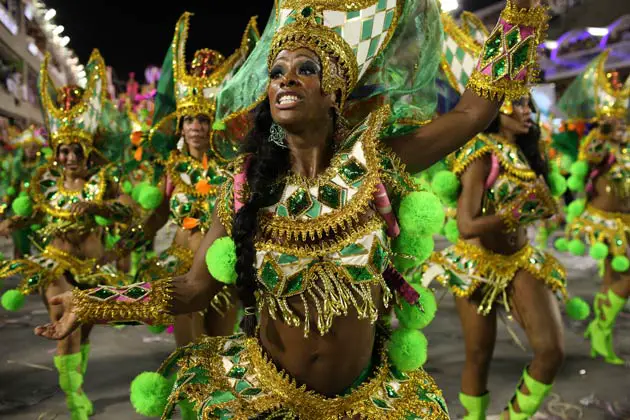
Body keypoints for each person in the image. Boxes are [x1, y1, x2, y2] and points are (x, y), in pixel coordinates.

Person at [35, 0, 547, 418]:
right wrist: (94, 302)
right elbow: (193, 289)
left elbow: (473, 109)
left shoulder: (376, 163)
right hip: (268, 398)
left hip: (367, 402)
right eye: (277, 71)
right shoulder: (245, 189)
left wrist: (520, 18)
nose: (286, 79)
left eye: (306, 69)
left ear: (334, 92)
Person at [422, 13, 574, 419]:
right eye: (517, 102)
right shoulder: (480, 154)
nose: (527, 111)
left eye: (527, 102)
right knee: (478, 355)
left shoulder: (528, 154)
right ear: (495, 107)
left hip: (521, 258)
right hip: (475, 264)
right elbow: (469, 224)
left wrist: (542, 209)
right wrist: (515, 212)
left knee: (551, 351)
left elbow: (535, 207)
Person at [104, 12, 260, 345]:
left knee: (220, 354)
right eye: (188, 119)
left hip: (220, 273)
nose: (195, 127)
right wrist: (123, 246)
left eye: (203, 119)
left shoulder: (232, 170)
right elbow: (158, 216)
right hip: (180, 267)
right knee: (190, 355)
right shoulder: (173, 168)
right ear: (180, 124)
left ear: (214, 124)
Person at [0, 50, 136, 420]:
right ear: (56, 152)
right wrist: (12, 223)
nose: (71, 157)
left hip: (94, 267)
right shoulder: (43, 181)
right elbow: (25, 213)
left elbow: (129, 211)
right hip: (54, 265)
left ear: (87, 151)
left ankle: (75, 382)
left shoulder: (102, 180)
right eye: (64, 150)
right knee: (68, 330)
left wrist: (98, 208)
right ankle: (74, 397)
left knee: (85, 331)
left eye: (77, 150)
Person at [556, 50, 630, 366]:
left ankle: (601, 331)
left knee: (613, 277)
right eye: (613, 122)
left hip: (625, 222)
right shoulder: (597, 147)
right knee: (623, 279)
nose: (620, 126)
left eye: (622, 121)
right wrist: (601, 132)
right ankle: (601, 329)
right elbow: (588, 159)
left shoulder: (625, 151)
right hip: (605, 223)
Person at [0, 125, 48, 258]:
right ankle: (22, 263)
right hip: (19, 207)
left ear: (38, 148)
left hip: (38, 206)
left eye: (34, 147)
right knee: (20, 240)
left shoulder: (44, 165)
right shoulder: (17, 165)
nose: (30, 150)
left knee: (43, 242)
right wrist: (5, 203)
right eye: (27, 147)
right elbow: (12, 186)